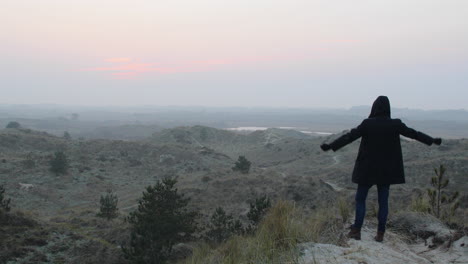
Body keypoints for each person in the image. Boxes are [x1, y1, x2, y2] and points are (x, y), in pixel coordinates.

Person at [320, 96, 441, 242]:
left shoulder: (367, 124)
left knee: (360, 199)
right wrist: (431, 140)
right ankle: (380, 234)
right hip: (386, 171)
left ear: (374, 108)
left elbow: (350, 137)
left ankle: (356, 230)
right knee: (383, 202)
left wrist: (331, 146)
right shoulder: (395, 124)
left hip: (366, 170)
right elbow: (413, 133)